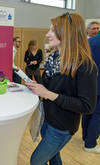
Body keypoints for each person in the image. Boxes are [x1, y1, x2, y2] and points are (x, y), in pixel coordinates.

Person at [25, 12, 97, 165]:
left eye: (52, 30)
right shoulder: (53, 58)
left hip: (62, 127)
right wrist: (38, 88)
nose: (47, 34)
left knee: (36, 161)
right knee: (53, 157)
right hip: (47, 119)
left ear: (66, 33)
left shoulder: (85, 66)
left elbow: (87, 106)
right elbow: (51, 88)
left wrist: (48, 94)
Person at [82, 34, 100, 153]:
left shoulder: (90, 41)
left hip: (88, 83)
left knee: (87, 112)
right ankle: (90, 143)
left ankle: (86, 137)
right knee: (97, 114)